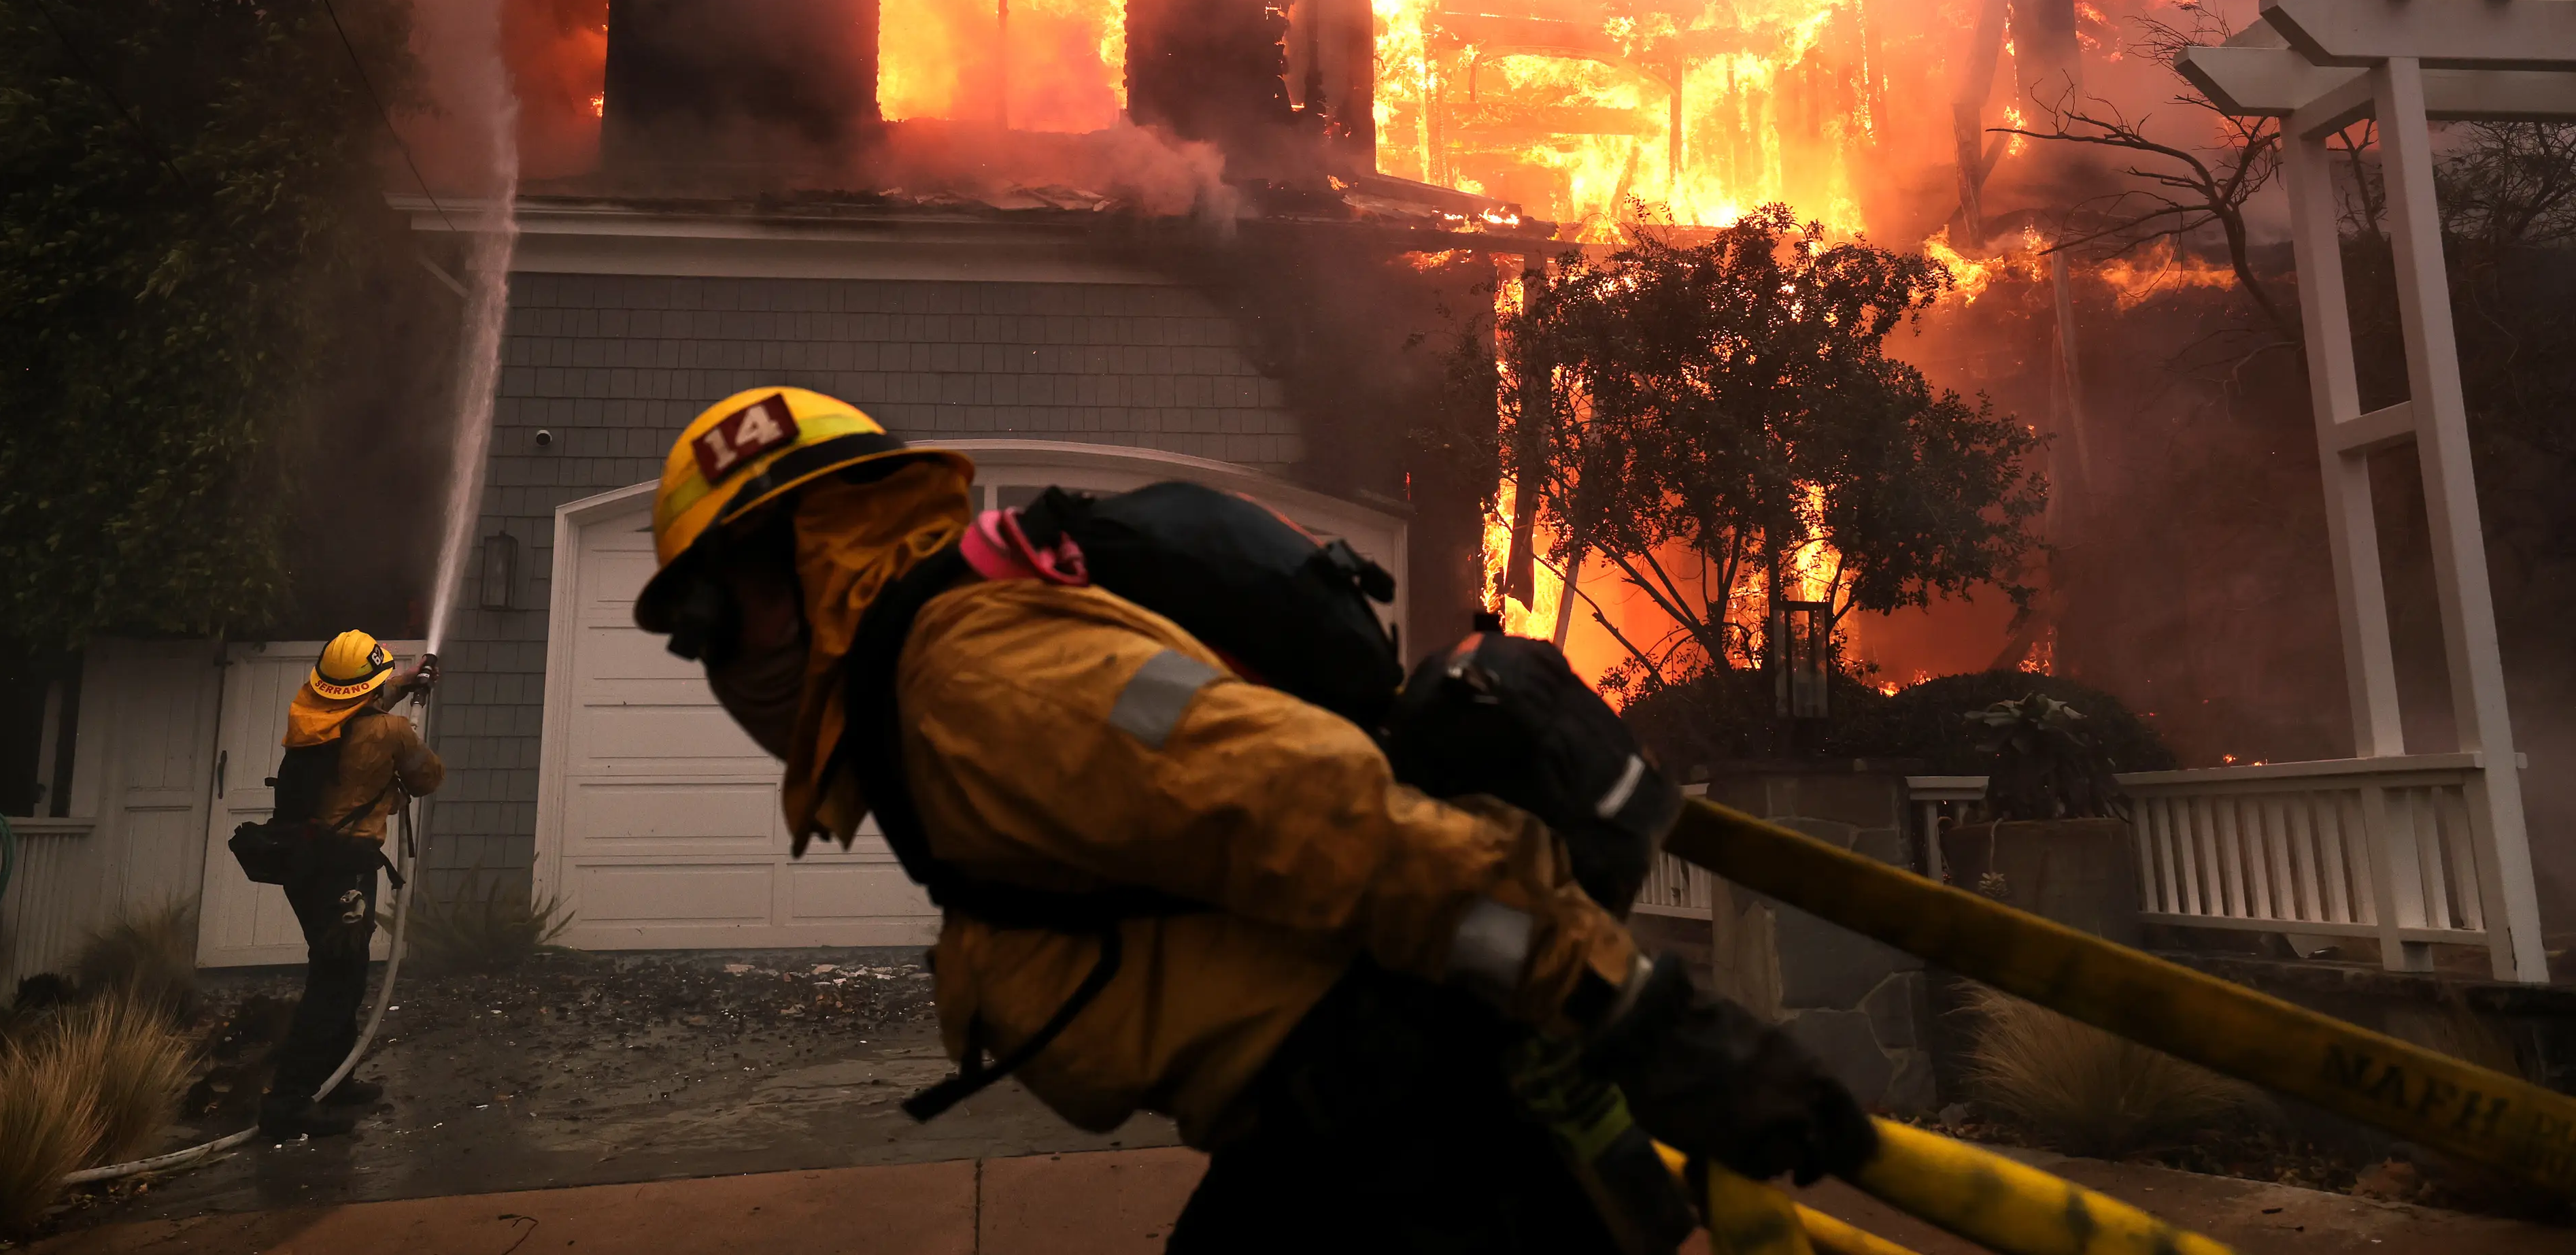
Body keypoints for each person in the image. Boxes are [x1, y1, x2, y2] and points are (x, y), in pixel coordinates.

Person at [634, 389, 1873, 1250]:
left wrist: (1642, 1020)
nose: (709, 656)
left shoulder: (969, 681)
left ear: (806, 562)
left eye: (712, 612)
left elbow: (1317, 808)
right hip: (1338, 1140)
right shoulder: (929, 683)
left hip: (1404, 1145)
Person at [258, 631, 443, 1141]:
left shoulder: (312, 714)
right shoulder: (392, 732)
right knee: (337, 982)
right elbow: (428, 778)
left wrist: (406, 682)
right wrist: (404, 731)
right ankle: (290, 1101)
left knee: (339, 968)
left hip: (304, 862)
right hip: (345, 870)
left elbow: (360, 711)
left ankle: (335, 1082)